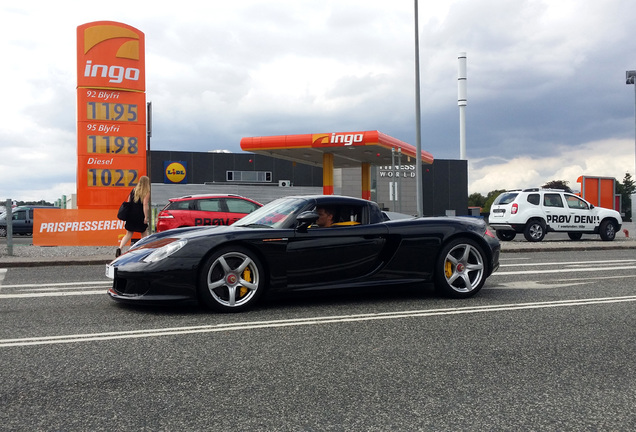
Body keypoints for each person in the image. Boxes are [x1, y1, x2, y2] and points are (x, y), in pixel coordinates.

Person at [116, 176, 150, 257]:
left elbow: (128, 202)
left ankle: (120, 248)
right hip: (140, 215)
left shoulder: (134, 190)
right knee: (144, 234)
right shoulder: (146, 192)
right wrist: (146, 217)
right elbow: (145, 204)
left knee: (128, 234)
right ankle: (144, 250)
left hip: (131, 215)